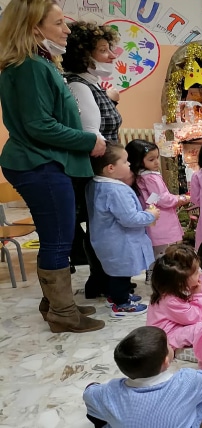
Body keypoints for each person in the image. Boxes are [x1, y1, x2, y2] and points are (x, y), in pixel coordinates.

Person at [0, 0, 106, 333]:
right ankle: (62, 313)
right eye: (59, 23)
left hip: (41, 161)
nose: (66, 30)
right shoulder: (30, 65)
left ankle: (57, 304)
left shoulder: (36, 62)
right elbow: (39, 125)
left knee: (56, 237)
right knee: (58, 239)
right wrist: (88, 141)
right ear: (34, 28)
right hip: (39, 163)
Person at [62, 21, 123, 297]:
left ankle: (105, 279)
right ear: (83, 54)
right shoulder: (79, 86)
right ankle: (102, 281)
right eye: (103, 50)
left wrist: (110, 97)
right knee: (101, 229)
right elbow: (93, 138)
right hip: (96, 172)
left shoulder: (92, 85)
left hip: (106, 170)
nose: (111, 56)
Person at [82, 326, 202, 428]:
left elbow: (89, 394)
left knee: (95, 397)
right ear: (166, 361)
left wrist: (93, 387)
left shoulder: (111, 392)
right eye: (168, 344)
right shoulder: (187, 379)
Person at [87, 144, 155, 317]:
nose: (130, 165)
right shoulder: (116, 190)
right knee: (121, 273)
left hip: (106, 238)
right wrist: (150, 215)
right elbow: (129, 218)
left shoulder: (95, 184)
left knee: (115, 270)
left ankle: (117, 296)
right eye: (125, 162)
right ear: (111, 168)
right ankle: (122, 304)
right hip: (120, 241)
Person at [127, 139, 190, 281]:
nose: (156, 162)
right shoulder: (151, 178)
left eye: (157, 158)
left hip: (151, 218)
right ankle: (160, 277)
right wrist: (181, 199)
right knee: (163, 251)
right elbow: (163, 199)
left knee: (154, 250)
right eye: (151, 159)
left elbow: (153, 198)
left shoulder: (138, 176)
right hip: (161, 219)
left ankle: (153, 274)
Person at [146, 245, 202, 349]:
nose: (200, 273)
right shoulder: (170, 301)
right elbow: (195, 317)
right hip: (166, 339)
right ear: (180, 281)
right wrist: (197, 295)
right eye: (196, 272)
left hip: (171, 330)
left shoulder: (168, 292)